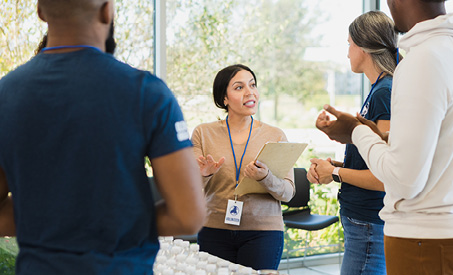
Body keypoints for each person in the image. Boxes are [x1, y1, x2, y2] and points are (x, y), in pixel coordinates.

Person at [0, 0, 206, 274]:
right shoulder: (148, 94)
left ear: (40, 10)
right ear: (107, 9)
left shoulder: (5, 95)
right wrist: (111, 219)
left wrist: (52, 219)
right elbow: (188, 216)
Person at [315, 1, 453, 274]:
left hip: (427, 234)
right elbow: (442, 141)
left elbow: (403, 179)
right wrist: (381, 137)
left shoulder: (424, 58)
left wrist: (356, 132)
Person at [307, 11, 399, 275]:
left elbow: (384, 176)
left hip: (369, 223)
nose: (347, 52)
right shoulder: (378, 90)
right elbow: (373, 158)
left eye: (349, 44)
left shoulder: (384, 93)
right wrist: (333, 167)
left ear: (364, 47)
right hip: (363, 222)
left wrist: (335, 173)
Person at [191, 64, 295, 270]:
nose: (250, 92)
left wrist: (265, 177)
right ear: (224, 99)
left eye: (253, 85)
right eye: (239, 87)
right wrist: (203, 175)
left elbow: (288, 193)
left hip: (263, 233)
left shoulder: (275, 136)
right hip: (214, 229)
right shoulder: (203, 133)